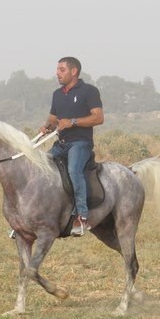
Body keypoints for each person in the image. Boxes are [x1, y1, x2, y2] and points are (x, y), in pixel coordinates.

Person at [40, 57, 104, 236]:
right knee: (41, 168)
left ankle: (82, 217)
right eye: (57, 70)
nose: (57, 73)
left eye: (61, 70)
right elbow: (53, 119)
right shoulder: (57, 94)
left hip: (80, 143)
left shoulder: (89, 91)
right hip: (60, 144)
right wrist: (47, 126)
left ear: (73, 71)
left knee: (74, 171)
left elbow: (98, 118)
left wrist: (73, 122)